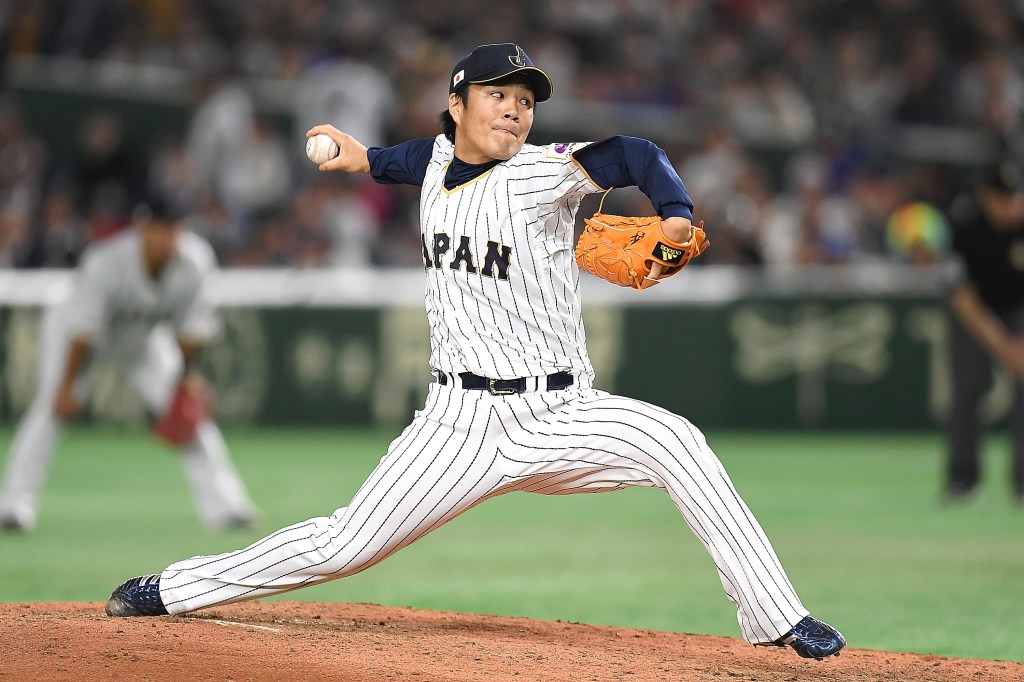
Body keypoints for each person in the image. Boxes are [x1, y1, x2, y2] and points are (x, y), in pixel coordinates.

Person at [104, 44, 845, 660]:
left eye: (526, 101)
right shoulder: (432, 160)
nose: (516, 110)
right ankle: (171, 589)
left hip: (560, 412)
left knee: (678, 442)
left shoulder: (542, 173)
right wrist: (359, 157)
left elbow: (635, 154)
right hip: (456, 425)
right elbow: (402, 160)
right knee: (342, 546)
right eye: (499, 96)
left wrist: (676, 213)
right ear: (457, 104)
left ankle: (778, 616)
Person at [0, 199, 259, 532]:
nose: (166, 237)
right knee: (49, 409)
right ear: (142, 229)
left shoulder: (195, 261)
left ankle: (228, 507)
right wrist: (66, 387)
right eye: (159, 228)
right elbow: (83, 330)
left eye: (173, 229)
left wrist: (186, 382)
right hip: (75, 335)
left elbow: (192, 330)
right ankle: (14, 505)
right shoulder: (106, 262)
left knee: (190, 414)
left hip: (141, 340)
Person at [943, 159, 1024, 503]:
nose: (1012, 206)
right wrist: (1006, 346)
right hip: (973, 313)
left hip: (1018, 308)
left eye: (1016, 197)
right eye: (1004, 199)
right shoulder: (965, 226)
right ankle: (963, 480)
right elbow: (963, 300)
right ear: (987, 198)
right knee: (967, 389)